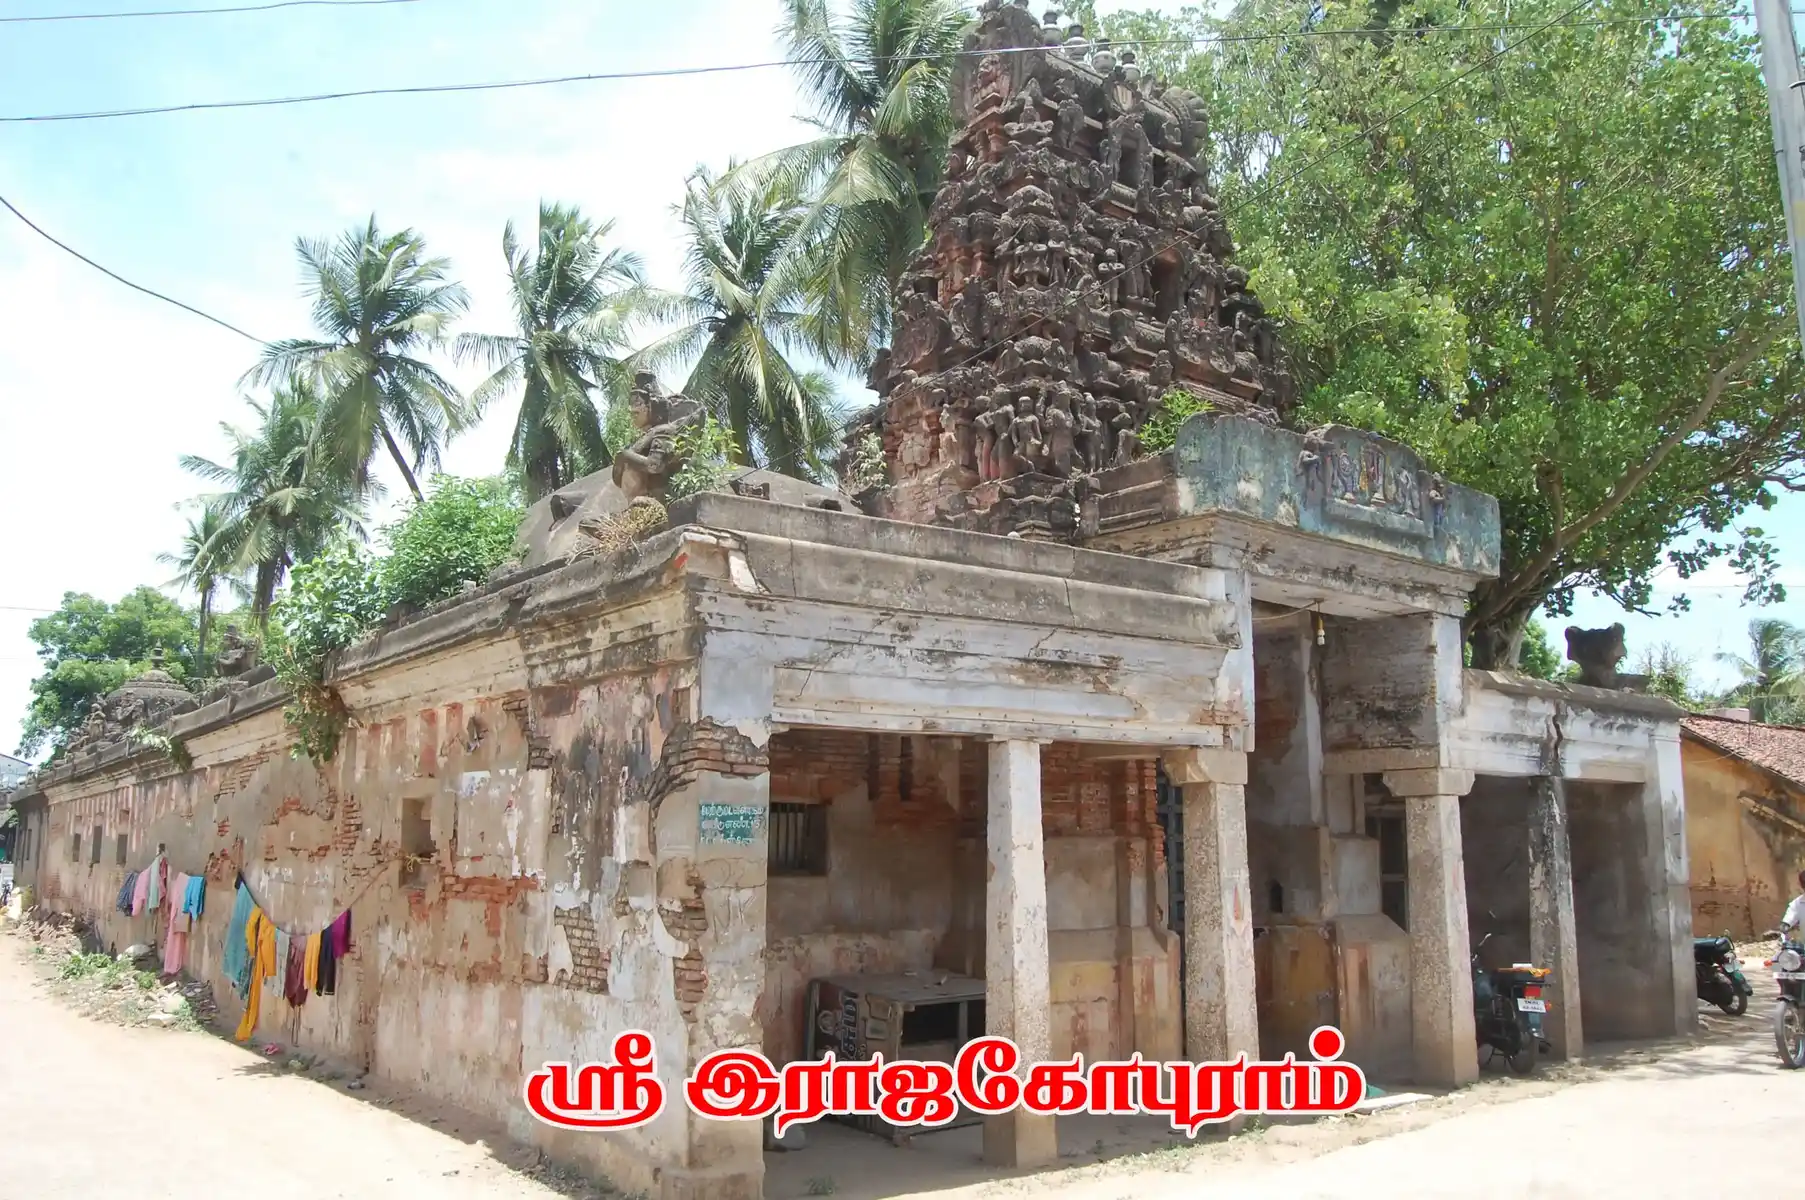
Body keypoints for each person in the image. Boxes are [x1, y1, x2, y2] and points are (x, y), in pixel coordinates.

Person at [1784, 869, 1805, 941]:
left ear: (1799, 884)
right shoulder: (1796, 904)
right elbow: (1786, 923)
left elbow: (1786, 924)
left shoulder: (1796, 905)